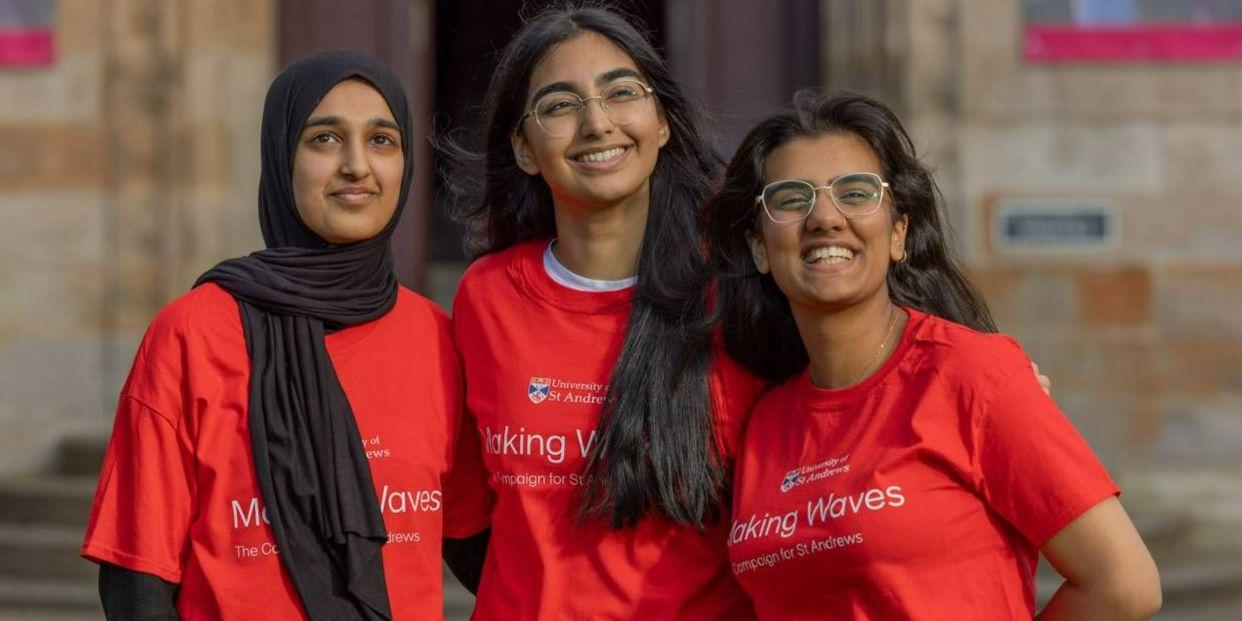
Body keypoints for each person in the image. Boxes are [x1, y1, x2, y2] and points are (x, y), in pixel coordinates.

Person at [706, 90, 1162, 619]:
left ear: (898, 233)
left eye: (856, 193)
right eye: (791, 199)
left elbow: (1125, 584)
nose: (825, 218)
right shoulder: (766, 420)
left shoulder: (973, 374)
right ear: (761, 247)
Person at [81, 51, 490, 620]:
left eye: (382, 140)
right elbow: (136, 581)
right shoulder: (191, 335)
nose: (356, 166)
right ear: (280, 158)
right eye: (324, 139)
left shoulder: (437, 339)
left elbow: (485, 551)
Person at [442, 4, 768, 619]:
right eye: (560, 105)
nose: (597, 123)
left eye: (621, 93)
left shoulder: (736, 292)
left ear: (662, 122)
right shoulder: (486, 298)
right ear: (525, 149)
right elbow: (468, 517)